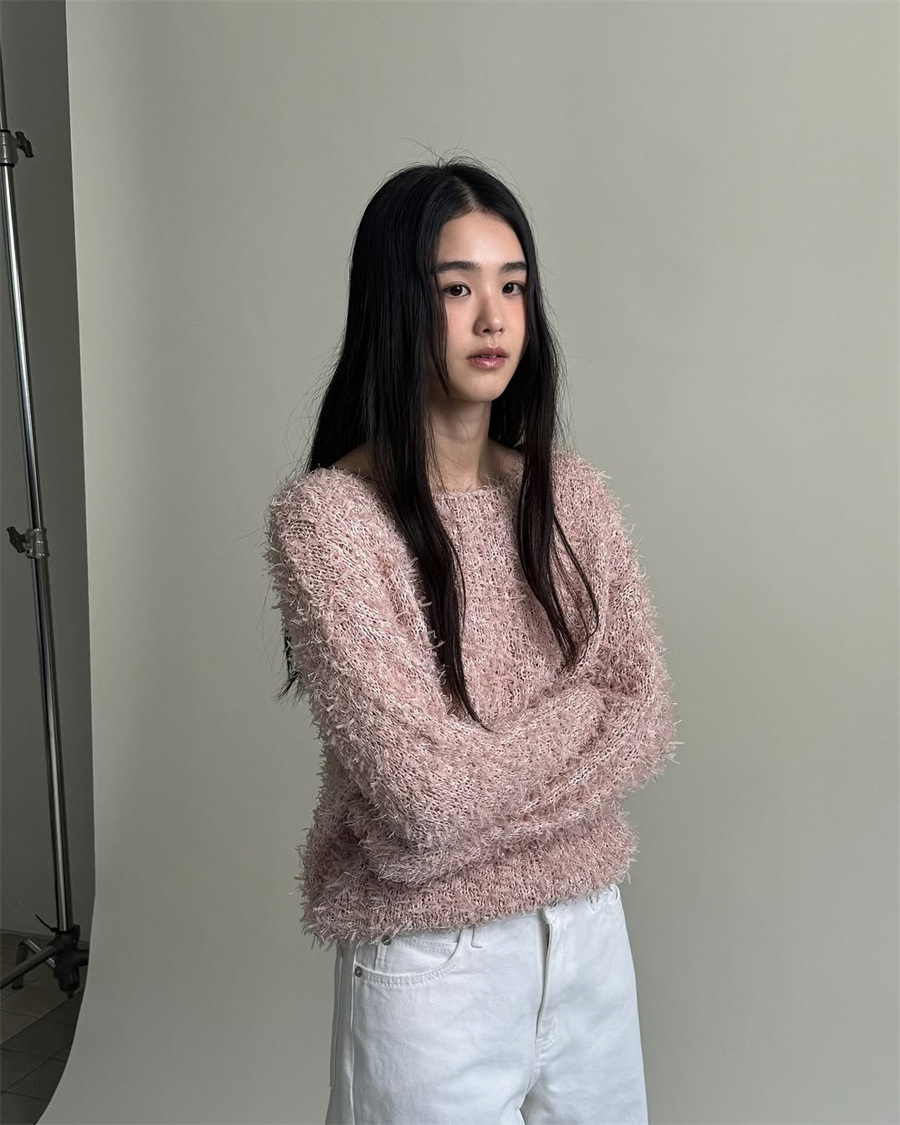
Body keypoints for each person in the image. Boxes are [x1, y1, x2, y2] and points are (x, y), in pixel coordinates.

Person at [263, 158, 679, 1125]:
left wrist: (466, 789)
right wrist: (579, 713)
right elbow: (423, 794)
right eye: (457, 289)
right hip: (432, 967)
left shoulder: (569, 496)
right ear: (397, 304)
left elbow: (648, 721)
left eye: (513, 286)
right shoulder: (330, 521)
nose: (494, 319)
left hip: (587, 936)